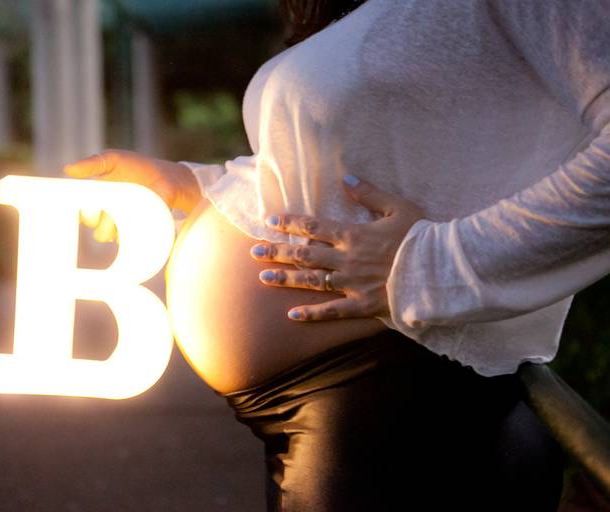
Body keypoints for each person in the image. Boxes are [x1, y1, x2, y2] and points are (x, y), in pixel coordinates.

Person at [65, 0, 609, 509]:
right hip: (342, 410)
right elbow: (377, 173)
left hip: (400, 406)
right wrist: (191, 187)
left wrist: (432, 264)